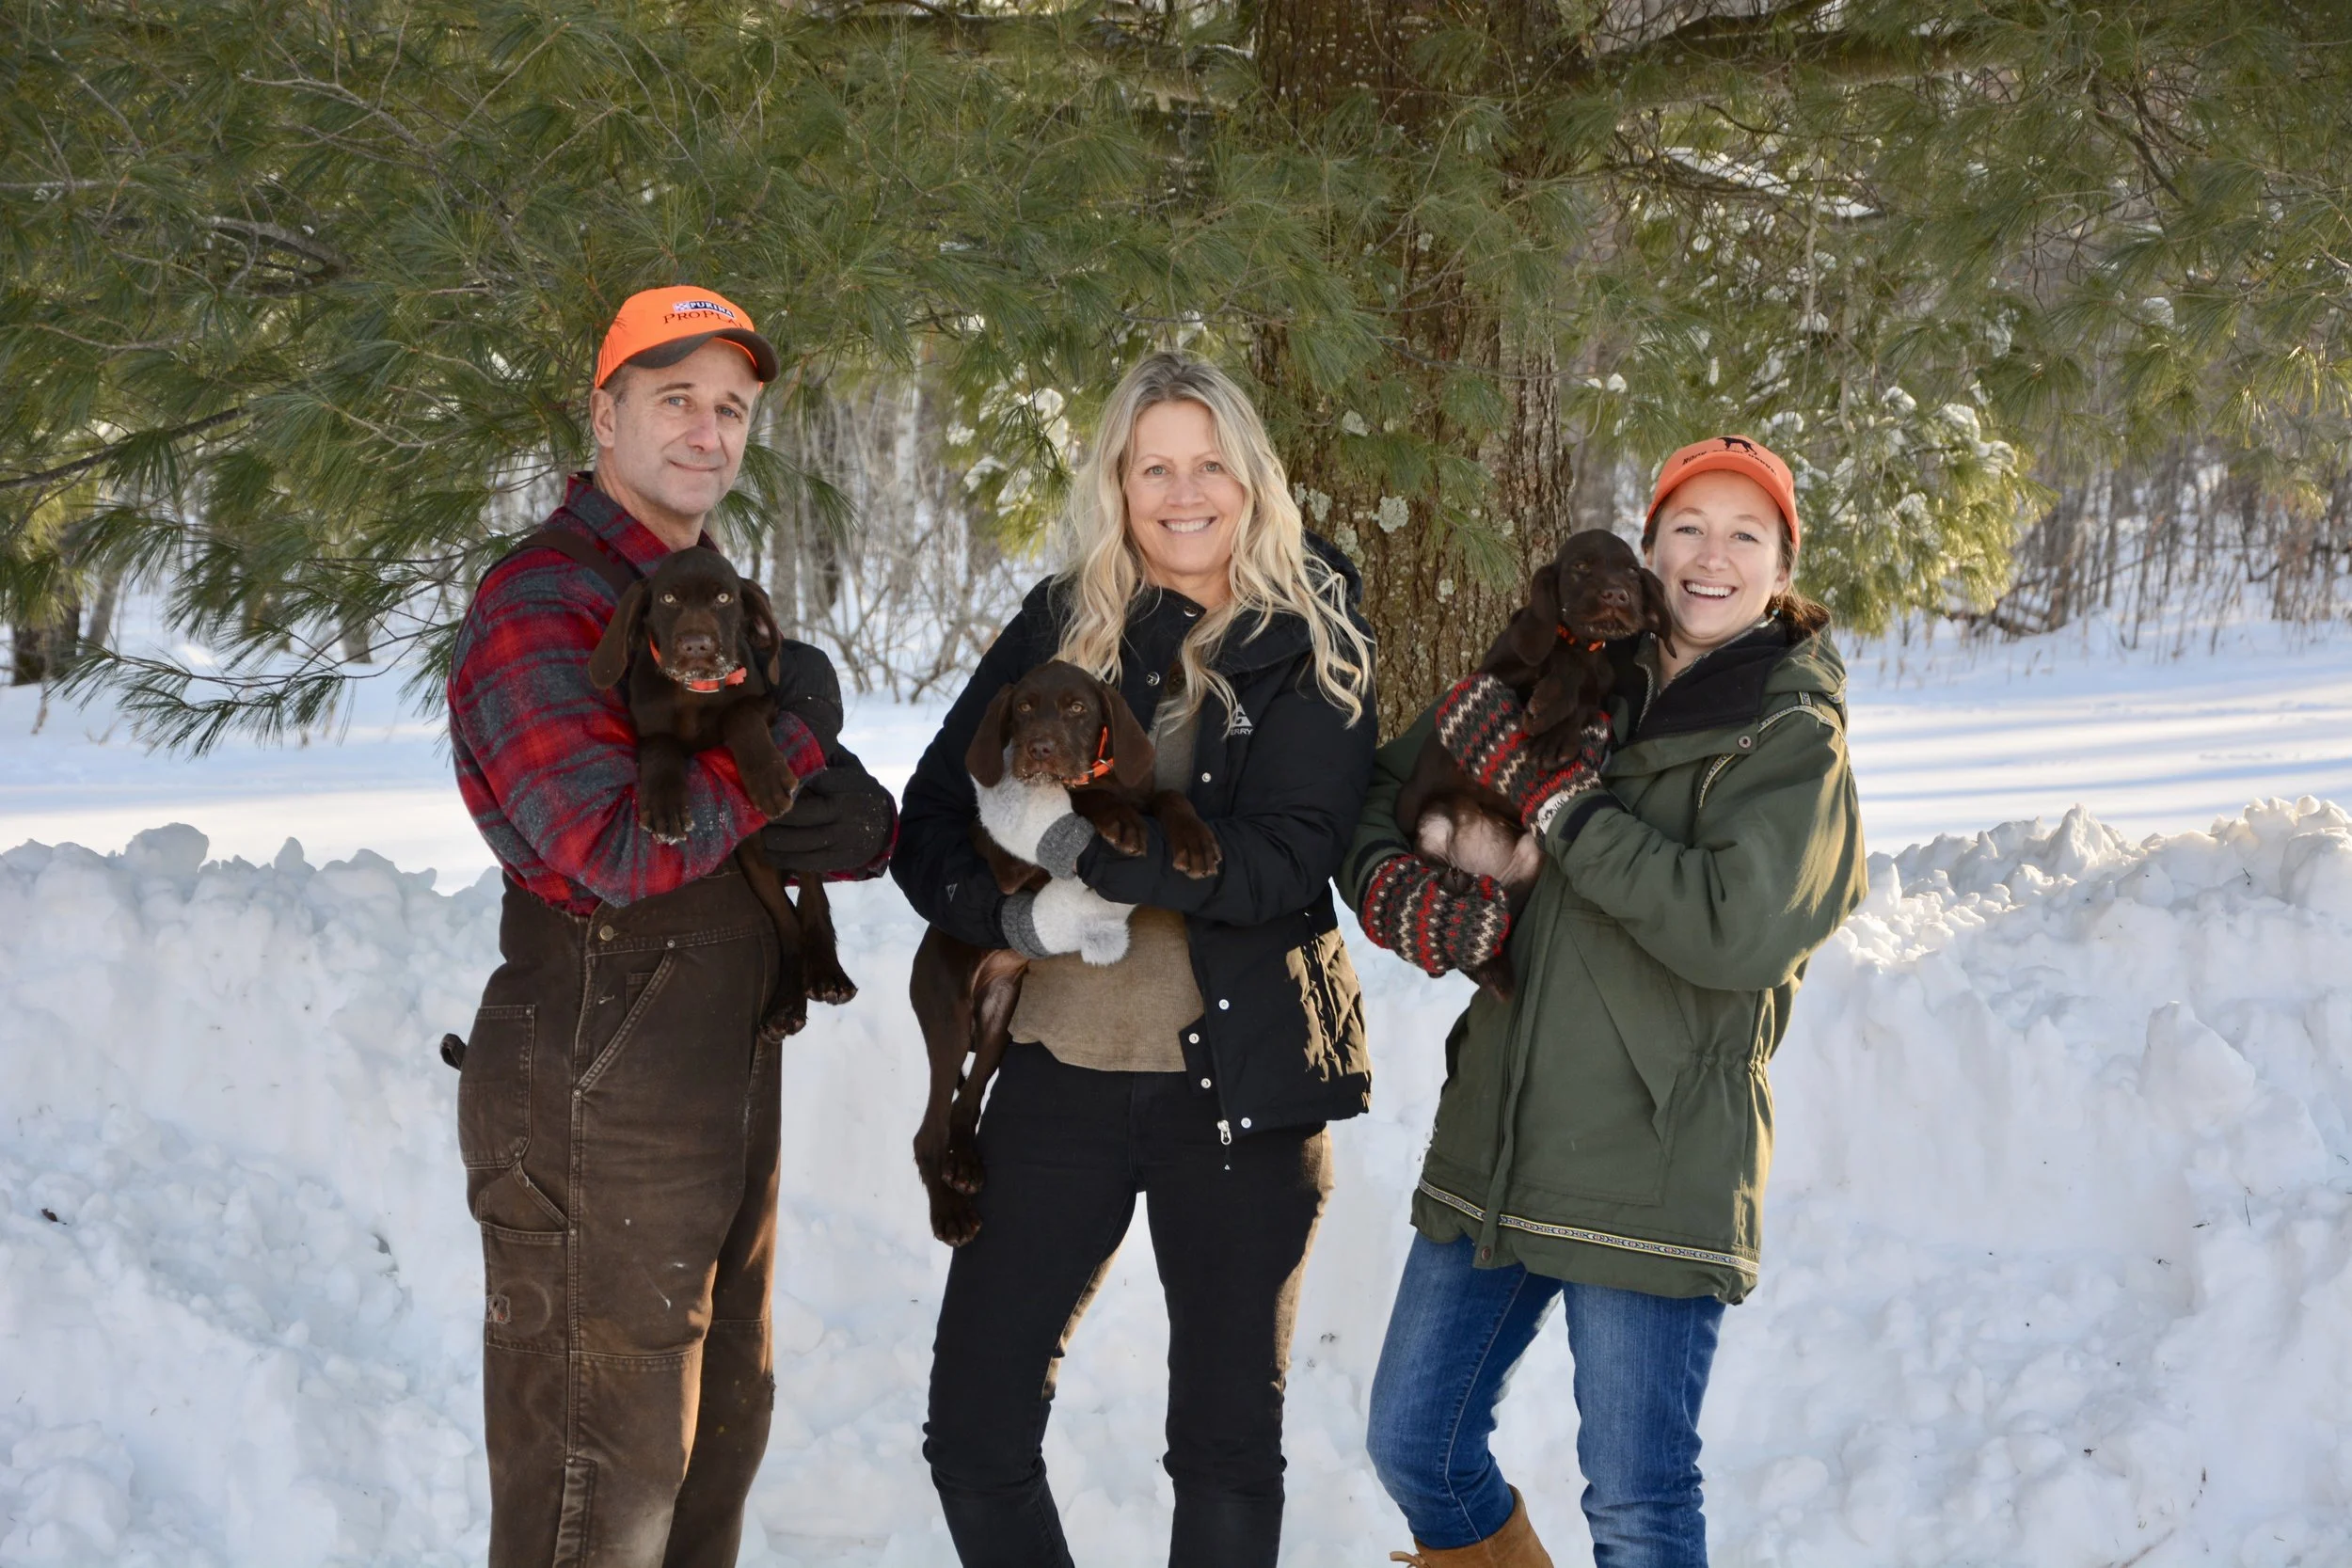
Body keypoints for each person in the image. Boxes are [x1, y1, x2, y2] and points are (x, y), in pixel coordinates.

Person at [1344, 435, 1867, 1567]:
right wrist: (1400, 891)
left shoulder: (1792, 738)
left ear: (1782, 566)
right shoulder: (1573, 674)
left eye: (1744, 534)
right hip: (1504, 1131)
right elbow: (1380, 789)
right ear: (1648, 548)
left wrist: (1569, 810)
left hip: (1654, 1155)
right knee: (1412, 1442)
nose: (1710, 556)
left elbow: (1734, 927)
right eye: (1687, 527)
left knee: (1636, 1504)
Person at [892, 351, 1378, 1567]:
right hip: (1057, 1077)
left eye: (1208, 462)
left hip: (1245, 1086)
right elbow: (929, 825)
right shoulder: (1062, 619)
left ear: (1250, 475)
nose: (1183, 491)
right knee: (974, 1432)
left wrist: (1081, 851)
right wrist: (1017, 922)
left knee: (1222, 1449)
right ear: (1119, 479)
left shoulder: (1315, 629)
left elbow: (1280, 859)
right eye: (1155, 464)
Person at [445, 285, 896, 1568]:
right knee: (604, 1482)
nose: (708, 432)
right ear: (606, 411)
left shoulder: (703, 601)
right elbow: (618, 841)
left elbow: (790, 812)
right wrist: (796, 739)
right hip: (597, 1080)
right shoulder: (545, 602)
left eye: (732, 408)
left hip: (714, 1065)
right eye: (674, 399)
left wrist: (847, 816)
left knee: (711, 1447)